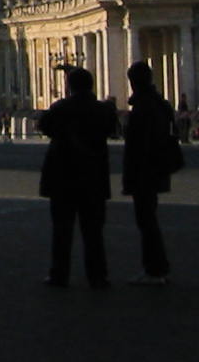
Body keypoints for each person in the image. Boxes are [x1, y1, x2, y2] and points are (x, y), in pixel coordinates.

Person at [38, 66, 118, 288]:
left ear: (70, 86)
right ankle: (98, 275)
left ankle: (59, 274)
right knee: (93, 232)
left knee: (62, 231)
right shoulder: (104, 110)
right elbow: (112, 129)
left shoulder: (61, 108)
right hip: (93, 176)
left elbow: (44, 126)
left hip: (64, 177)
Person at [121, 61, 176, 286]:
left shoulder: (143, 108)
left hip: (145, 172)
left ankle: (155, 269)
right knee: (148, 220)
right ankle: (156, 267)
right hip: (157, 169)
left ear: (134, 82)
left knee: (147, 222)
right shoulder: (160, 104)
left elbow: (138, 145)